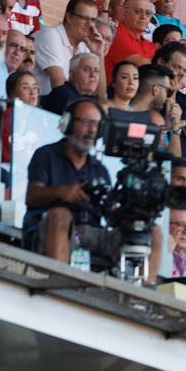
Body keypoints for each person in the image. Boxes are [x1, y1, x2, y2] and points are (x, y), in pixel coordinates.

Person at [23, 99, 114, 267]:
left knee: (149, 231)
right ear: (68, 123)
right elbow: (31, 196)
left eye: (96, 124)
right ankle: (58, 283)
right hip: (53, 228)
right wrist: (60, 192)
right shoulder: (46, 155)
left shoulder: (100, 169)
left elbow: (110, 213)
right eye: (85, 122)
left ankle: (145, 289)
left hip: (92, 232)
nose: (92, 130)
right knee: (60, 214)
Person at [33, 0, 97, 95]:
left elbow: (96, 92)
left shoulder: (85, 47)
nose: (90, 25)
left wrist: (99, 54)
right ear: (69, 17)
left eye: (93, 20)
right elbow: (59, 85)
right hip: (35, 105)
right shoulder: (51, 35)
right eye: (85, 18)